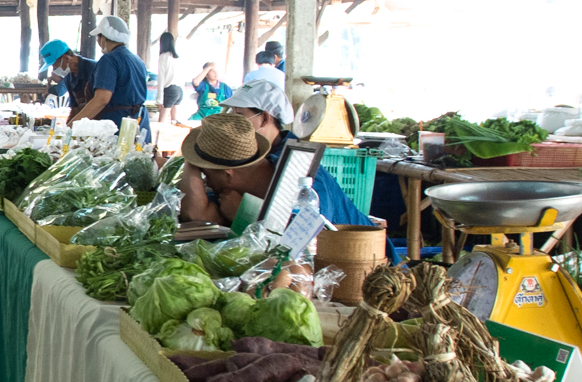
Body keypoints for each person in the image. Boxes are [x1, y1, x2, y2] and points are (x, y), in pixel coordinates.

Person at [177, 109, 371, 230]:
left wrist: (248, 217)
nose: (205, 183)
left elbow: (312, 243)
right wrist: (191, 160)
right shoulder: (234, 190)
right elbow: (196, 215)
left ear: (228, 174)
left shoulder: (304, 181)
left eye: (206, 175)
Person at [67, 14, 147, 127]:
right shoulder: (136, 59)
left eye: (98, 38)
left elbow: (101, 99)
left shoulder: (109, 60)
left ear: (103, 38)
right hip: (139, 120)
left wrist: (72, 126)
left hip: (117, 123)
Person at [40, 40, 96, 109]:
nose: (54, 70)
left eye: (54, 66)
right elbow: (74, 107)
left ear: (65, 58)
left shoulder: (95, 69)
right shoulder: (68, 77)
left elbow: (100, 101)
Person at [156, 31, 184, 124]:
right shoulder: (177, 57)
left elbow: (161, 79)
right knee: (174, 121)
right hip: (179, 90)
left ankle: (159, 138)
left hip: (170, 89)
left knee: (161, 123)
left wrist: (159, 100)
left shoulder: (163, 57)